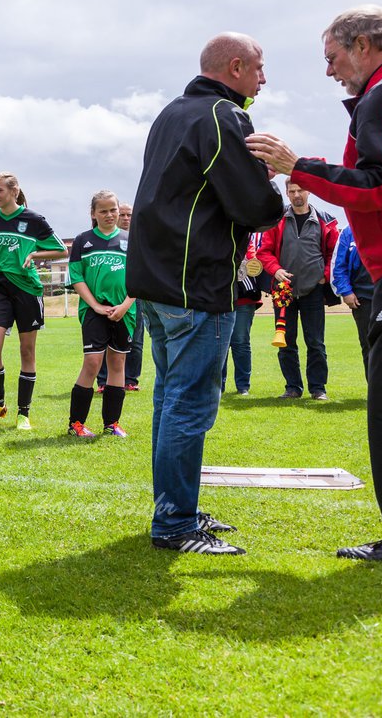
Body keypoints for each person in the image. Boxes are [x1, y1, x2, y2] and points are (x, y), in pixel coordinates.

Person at [248, 5, 382, 563]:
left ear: (364, 45)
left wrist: (297, 166)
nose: (329, 71)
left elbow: (380, 186)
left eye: (333, 57)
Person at [129, 32, 283, 555]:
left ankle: (177, 506)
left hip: (156, 281)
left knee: (169, 399)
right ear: (235, 66)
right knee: (188, 404)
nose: (263, 80)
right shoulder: (223, 115)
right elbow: (257, 205)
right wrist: (275, 183)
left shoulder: (172, 112)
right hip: (195, 283)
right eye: (259, 69)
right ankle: (175, 522)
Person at [0, 172, 66, 431]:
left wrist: (35, 254)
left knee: (27, 352)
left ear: (14, 192)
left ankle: (23, 413)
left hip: (27, 289)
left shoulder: (34, 220)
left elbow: (61, 249)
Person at [257, 180, 339, 400]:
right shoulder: (277, 221)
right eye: (291, 191)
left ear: (308, 190)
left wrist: (325, 275)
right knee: (286, 342)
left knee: (315, 342)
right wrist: (276, 270)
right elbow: (264, 252)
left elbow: (334, 253)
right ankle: (292, 387)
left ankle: (318, 388)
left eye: (300, 190)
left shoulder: (325, 221)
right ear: (286, 193)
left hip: (313, 291)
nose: (296, 195)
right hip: (284, 292)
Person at [66, 190, 135, 439]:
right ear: (93, 214)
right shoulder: (83, 241)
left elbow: (140, 279)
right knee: (93, 363)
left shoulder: (131, 240)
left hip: (124, 311)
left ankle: (112, 423)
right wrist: (95, 305)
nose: (109, 214)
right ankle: (76, 424)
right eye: (103, 210)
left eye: (113, 210)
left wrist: (126, 305)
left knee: (118, 364)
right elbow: (76, 277)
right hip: (94, 311)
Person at [97, 203, 142, 392]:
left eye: (128, 214)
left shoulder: (139, 239)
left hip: (134, 297)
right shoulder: (104, 239)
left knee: (136, 339)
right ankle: (103, 381)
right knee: (103, 340)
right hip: (106, 297)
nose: (125, 218)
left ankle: (130, 380)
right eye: (121, 214)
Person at [221, 233, 266, 396]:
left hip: (244, 298)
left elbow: (252, 258)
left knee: (240, 342)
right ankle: (219, 385)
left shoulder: (248, 235)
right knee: (220, 344)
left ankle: (243, 386)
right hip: (220, 298)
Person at [331, 224, 374, 373]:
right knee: (368, 344)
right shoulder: (348, 232)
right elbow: (338, 266)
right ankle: (375, 391)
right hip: (362, 298)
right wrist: (346, 291)